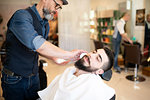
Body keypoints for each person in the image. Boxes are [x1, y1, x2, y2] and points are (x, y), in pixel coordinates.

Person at [1, 0, 87, 100]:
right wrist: (69, 54)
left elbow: (39, 50)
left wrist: (54, 57)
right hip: (15, 79)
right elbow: (37, 44)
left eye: (59, 8)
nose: (57, 11)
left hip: (34, 76)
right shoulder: (21, 16)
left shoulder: (45, 24)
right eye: (56, 5)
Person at [38, 47, 116, 100]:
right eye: (94, 52)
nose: (91, 55)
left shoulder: (93, 86)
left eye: (98, 58)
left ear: (99, 71)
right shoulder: (70, 70)